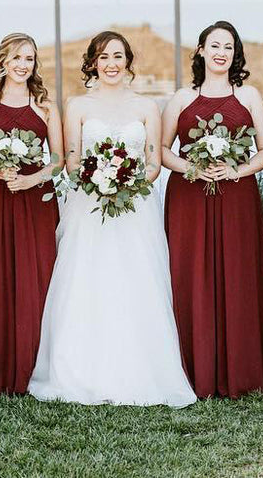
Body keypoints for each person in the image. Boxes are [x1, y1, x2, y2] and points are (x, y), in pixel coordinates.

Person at [28, 30, 195, 407]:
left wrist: (128, 182)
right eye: (103, 57)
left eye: (118, 56)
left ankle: (142, 372)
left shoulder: (147, 106)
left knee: (136, 281)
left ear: (128, 62)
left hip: (135, 208)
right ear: (92, 63)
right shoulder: (77, 105)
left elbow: (153, 162)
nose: (111, 64)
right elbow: (72, 160)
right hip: (89, 207)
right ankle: (80, 372)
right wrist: (98, 180)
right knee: (88, 280)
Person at [162, 20, 263, 398]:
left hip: (236, 196)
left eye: (228, 46)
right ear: (201, 51)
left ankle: (240, 370)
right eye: (214, 45)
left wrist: (236, 171)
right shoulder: (181, 98)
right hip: (189, 198)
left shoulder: (250, 96)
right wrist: (191, 168)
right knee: (190, 275)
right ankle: (194, 370)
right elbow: (161, 151)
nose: (221, 53)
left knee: (238, 274)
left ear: (235, 53)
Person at [0, 33, 62, 394]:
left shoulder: (46, 106)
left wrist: (31, 179)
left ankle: (33, 367)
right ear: (3, 61)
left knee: (37, 276)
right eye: (17, 58)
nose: (23, 65)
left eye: (29, 59)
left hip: (35, 200)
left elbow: (58, 159)